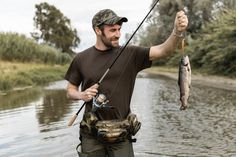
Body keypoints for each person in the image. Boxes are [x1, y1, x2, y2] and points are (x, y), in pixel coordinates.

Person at [65, 8, 188, 157]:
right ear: (98, 30)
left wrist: (176, 31)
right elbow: (70, 91)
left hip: (121, 136)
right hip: (91, 135)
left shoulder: (131, 54)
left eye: (119, 29)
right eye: (112, 30)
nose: (118, 34)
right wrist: (81, 95)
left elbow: (164, 50)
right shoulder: (81, 59)